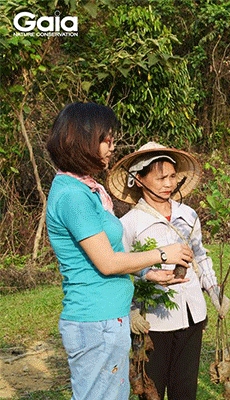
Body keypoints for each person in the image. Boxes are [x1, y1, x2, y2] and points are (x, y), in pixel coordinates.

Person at [45, 102, 193, 400]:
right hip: (95, 320)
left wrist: (147, 272)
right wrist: (162, 253)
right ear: (81, 141)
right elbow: (107, 262)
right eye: (106, 139)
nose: (112, 146)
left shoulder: (86, 190)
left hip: (106, 318)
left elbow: (107, 251)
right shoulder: (73, 196)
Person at [107, 142, 230, 400]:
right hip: (153, 320)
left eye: (172, 176)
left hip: (192, 313)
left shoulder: (188, 214)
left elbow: (200, 256)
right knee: (152, 389)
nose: (168, 184)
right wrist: (131, 311)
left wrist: (214, 291)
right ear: (139, 180)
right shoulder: (129, 224)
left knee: (185, 389)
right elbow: (118, 265)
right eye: (160, 178)